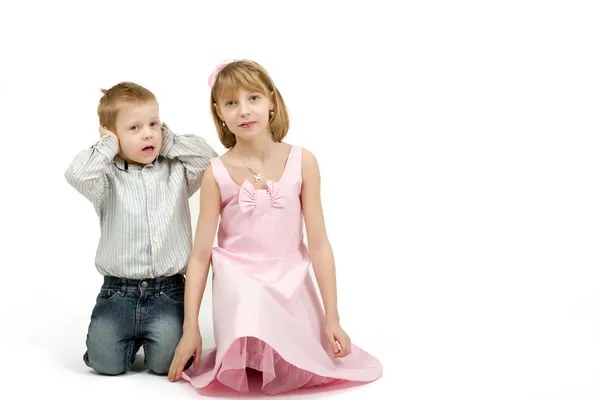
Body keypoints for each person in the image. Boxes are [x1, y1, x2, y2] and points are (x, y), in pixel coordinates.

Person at [168, 60, 383, 394]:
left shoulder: (303, 160)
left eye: (253, 98)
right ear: (219, 113)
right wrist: (190, 327)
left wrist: (333, 318)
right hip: (239, 279)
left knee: (297, 345)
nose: (243, 110)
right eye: (231, 103)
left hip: (289, 275)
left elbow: (320, 244)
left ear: (271, 100)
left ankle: (288, 340)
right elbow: (199, 256)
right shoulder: (216, 172)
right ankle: (247, 343)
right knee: (251, 299)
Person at [64, 82, 218, 375]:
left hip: (168, 292)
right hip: (118, 292)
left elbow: (211, 161)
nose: (148, 133)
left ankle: (152, 342)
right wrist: (109, 145)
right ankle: (120, 342)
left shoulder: (177, 171)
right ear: (113, 135)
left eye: (153, 124)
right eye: (134, 128)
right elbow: (76, 174)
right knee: (105, 365)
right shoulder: (106, 178)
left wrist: (169, 140)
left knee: (165, 366)